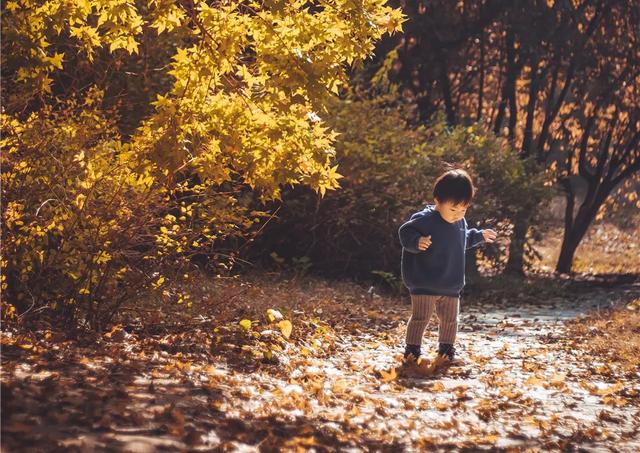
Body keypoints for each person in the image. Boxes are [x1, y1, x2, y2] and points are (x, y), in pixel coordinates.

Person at [398, 169, 497, 364]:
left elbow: (463, 239)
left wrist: (479, 236)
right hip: (425, 281)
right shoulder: (425, 219)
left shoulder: (460, 222)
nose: (458, 215)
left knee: (450, 320)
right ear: (437, 200)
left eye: (463, 210)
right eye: (453, 209)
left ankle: (446, 349)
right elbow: (405, 232)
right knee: (420, 318)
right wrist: (416, 241)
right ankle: (412, 349)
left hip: (451, 283)